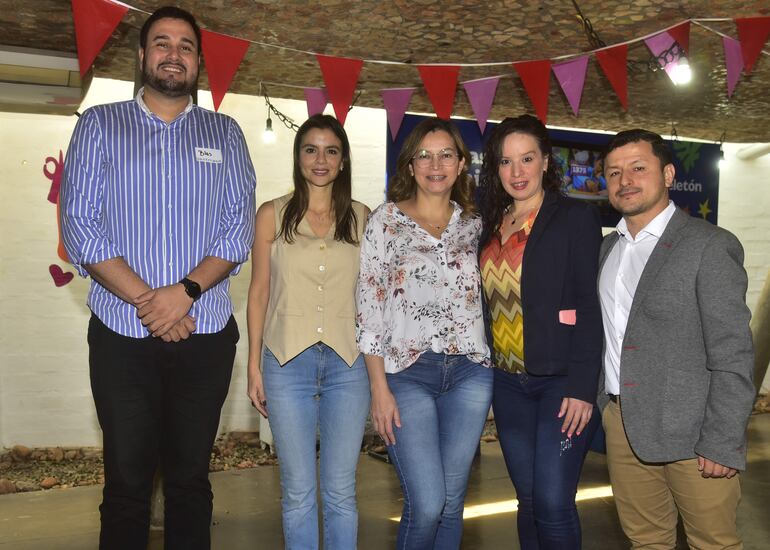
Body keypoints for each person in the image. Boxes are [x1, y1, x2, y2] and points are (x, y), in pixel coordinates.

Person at [59, 6, 257, 549]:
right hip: (123, 336)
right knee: (125, 483)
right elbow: (81, 227)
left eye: (186, 46)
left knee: (191, 482)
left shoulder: (226, 133)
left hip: (206, 335)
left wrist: (185, 293)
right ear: (143, 56)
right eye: (162, 43)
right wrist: (154, 303)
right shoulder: (99, 125)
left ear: (198, 62)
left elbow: (237, 232)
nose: (174, 54)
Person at [598, 129, 755, 549]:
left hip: (694, 435)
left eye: (638, 168)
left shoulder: (709, 246)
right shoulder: (607, 250)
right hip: (623, 425)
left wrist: (722, 439)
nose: (625, 180)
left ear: (668, 174)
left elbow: (734, 353)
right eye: (614, 172)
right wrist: (605, 406)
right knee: (647, 541)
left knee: (713, 543)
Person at [356, 118, 493, 550]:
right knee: (429, 501)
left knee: (452, 504)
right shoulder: (385, 222)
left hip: (470, 373)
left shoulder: (475, 225)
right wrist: (378, 387)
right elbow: (369, 309)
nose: (436, 164)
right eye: (425, 155)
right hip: (407, 374)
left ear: (460, 165)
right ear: (410, 165)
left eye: (446, 154)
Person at [477, 114, 603, 549]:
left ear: (546, 161)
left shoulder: (574, 218)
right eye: (506, 162)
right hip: (507, 384)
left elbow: (589, 305)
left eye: (527, 158)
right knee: (528, 500)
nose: (517, 172)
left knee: (553, 501)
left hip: (560, 384)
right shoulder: (489, 225)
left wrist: (583, 388)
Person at [246, 114, 370, 550]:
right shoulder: (271, 215)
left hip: (348, 365)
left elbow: (371, 300)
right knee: (298, 492)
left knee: (340, 491)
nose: (321, 159)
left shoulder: (362, 218)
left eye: (331, 150)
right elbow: (259, 292)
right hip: (285, 364)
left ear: (343, 160)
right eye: (311, 149)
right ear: (298, 157)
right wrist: (253, 367)